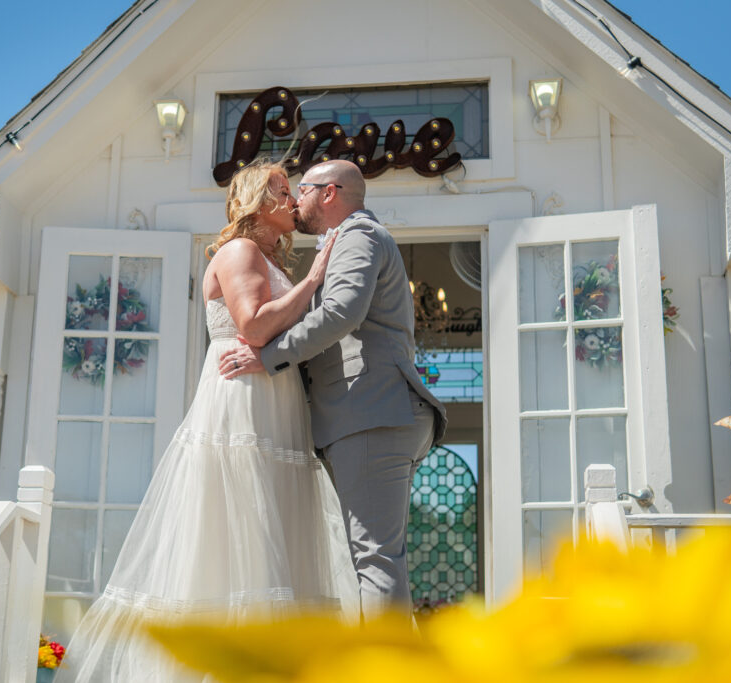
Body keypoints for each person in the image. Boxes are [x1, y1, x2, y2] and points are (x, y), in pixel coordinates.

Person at [55, 161, 357, 682]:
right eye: (282, 190)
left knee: (278, 527)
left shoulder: (265, 257)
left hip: (275, 396)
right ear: (258, 200)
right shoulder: (239, 251)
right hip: (243, 400)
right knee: (237, 526)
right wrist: (313, 279)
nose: (293, 200)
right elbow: (254, 327)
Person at [220, 159, 448, 620]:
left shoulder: (358, 235)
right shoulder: (344, 241)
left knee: (376, 561)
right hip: (369, 414)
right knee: (377, 558)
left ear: (329, 193)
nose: (294, 200)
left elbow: (342, 312)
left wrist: (268, 357)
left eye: (301, 189)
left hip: (371, 413)